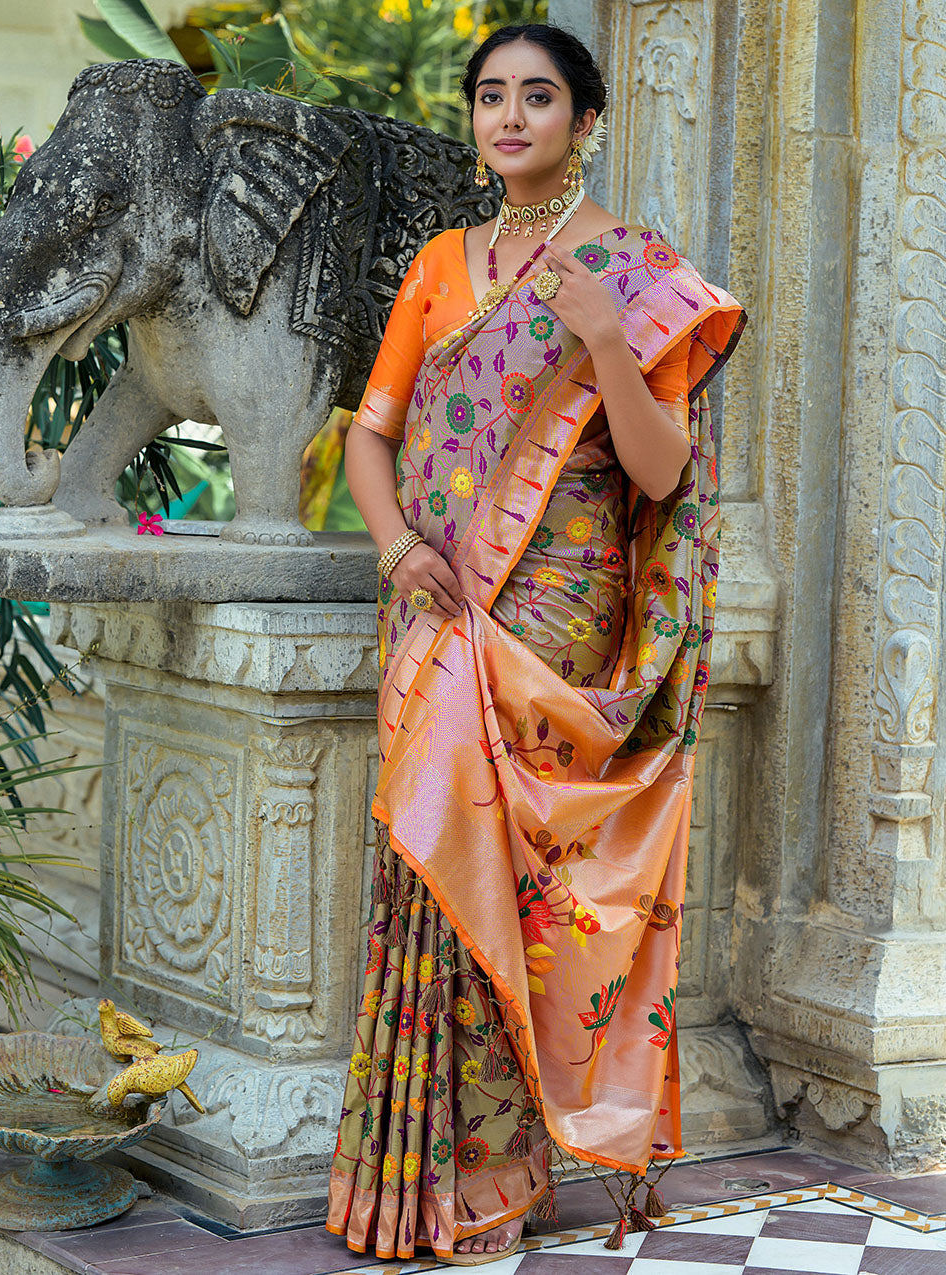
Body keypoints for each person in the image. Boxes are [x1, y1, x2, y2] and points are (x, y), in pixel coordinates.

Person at [326, 22, 746, 1266]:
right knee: (430, 879)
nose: (509, 117)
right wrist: (398, 545)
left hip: (556, 624)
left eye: (538, 97)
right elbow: (371, 433)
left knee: (526, 894)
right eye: (491, 96)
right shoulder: (441, 264)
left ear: (585, 118)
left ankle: (506, 1180)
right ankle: (414, 1185)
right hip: (439, 609)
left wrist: (609, 337)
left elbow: (663, 473)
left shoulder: (633, 268)